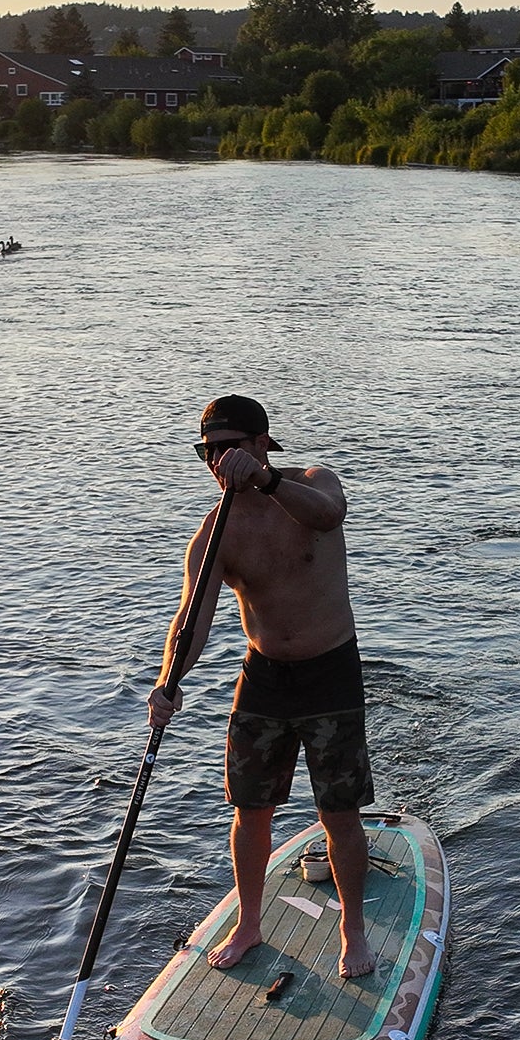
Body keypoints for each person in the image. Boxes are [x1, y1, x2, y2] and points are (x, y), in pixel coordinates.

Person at [147, 395, 376, 979]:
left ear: (260, 446)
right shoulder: (214, 533)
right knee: (250, 809)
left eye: (228, 448)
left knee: (339, 812)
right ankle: (250, 922)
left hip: (331, 671)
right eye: (208, 452)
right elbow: (191, 620)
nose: (217, 461)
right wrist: (168, 682)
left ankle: (352, 929)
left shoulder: (311, 482)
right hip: (265, 676)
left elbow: (329, 515)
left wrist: (269, 481)